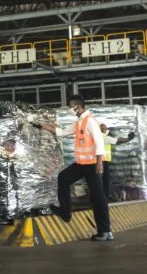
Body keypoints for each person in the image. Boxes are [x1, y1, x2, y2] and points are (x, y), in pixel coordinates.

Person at [42, 96, 113, 242]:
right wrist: (43, 126)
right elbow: (61, 132)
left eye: (71, 106)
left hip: (93, 164)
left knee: (98, 197)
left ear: (78, 107)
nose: (69, 109)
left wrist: (99, 163)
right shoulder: (79, 122)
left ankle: (105, 232)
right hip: (82, 164)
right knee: (63, 178)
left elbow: (99, 142)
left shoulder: (90, 121)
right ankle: (65, 212)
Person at [98, 123, 135, 201]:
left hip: (97, 161)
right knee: (105, 181)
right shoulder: (104, 137)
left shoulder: (95, 137)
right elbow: (118, 140)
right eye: (105, 129)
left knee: (100, 181)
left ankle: (100, 198)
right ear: (101, 130)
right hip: (102, 162)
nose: (106, 130)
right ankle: (104, 198)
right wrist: (129, 139)